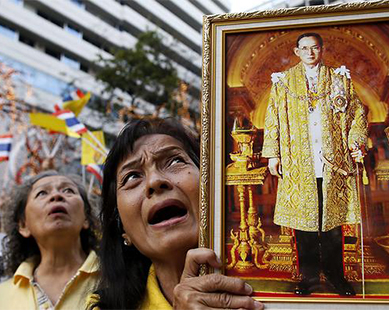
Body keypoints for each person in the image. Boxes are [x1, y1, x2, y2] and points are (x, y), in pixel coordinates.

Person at [90, 118, 263, 309]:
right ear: (122, 228)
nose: (155, 181)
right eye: (132, 176)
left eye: (174, 161)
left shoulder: (276, 294)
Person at [262, 32, 368, 296]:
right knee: (304, 225)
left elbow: (357, 112)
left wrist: (356, 141)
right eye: (305, 48)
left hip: (333, 162)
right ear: (296, 51)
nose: (310, 53)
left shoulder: (339, 79)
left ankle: (336, 276)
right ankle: (308, 278)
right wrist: (273, 154)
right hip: (298, 162)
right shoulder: (284, 82)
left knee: (332, 224)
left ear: (322, 50)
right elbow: (272, 118)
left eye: (315, 48)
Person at [0, 170, 99, 309]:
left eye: (68, 190)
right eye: (42, 193)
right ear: (23, 225)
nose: (57, 195)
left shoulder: (121, 279)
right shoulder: (3, 296)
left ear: (86, 218)